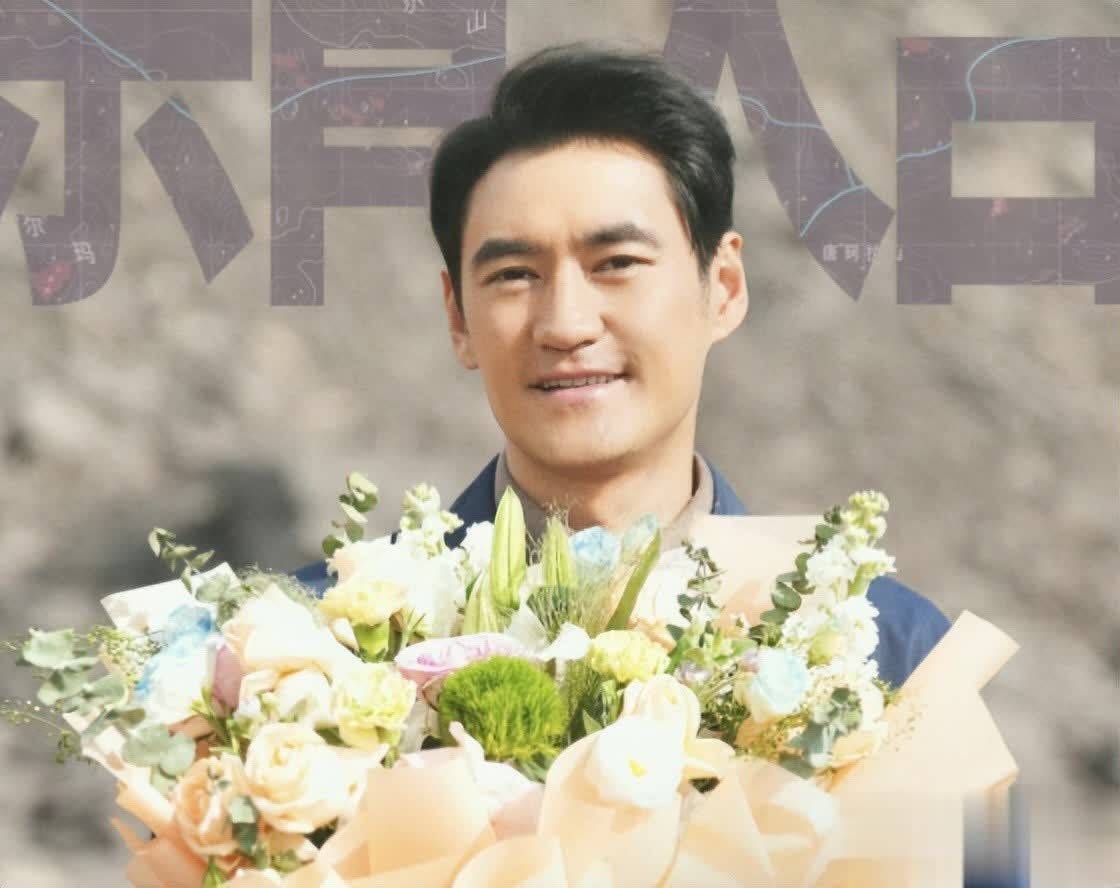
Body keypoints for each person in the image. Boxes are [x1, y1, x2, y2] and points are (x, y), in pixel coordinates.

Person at [293, 42, 949, 690]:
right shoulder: (310, 654)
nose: (566, 324)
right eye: (515, 274)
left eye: (617, 263)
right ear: (458, 317)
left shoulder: (887, 658)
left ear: (723, 287)